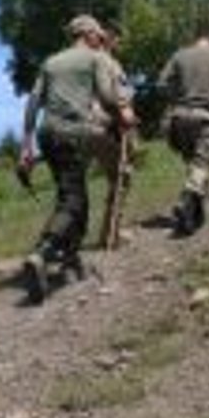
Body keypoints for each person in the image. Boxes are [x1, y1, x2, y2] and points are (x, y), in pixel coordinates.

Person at [19, 14, 135, 305]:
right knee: (73, 201)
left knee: (72, 195)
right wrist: (125, 113)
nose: (101, 39)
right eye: (98, 34)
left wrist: (26, 144)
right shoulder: (94, 59)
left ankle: (70, 260)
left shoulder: (51, 62)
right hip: (74, 132)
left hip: (47, 132)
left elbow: (33, 102)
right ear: (89, 34)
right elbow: (108, 95)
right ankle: (42, 252)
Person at [158, 27, 209, 237]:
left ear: (196, 40)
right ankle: (187, 198)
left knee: (193, 165)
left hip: (179, 117)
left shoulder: (179, 55)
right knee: (202, 164)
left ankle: (194, 214)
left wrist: (177, 98)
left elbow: (162, 83)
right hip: (205, 116)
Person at [89, 23, 137, 250]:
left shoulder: (84, 61)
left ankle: (109, 232)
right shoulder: (107, 62)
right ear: (107, 38)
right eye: (117, 38)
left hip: (82, 125)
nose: (119, 43)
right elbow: (115, 95)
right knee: (122, 176)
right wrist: (124, 115)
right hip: (105, 124)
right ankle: (110, 235)